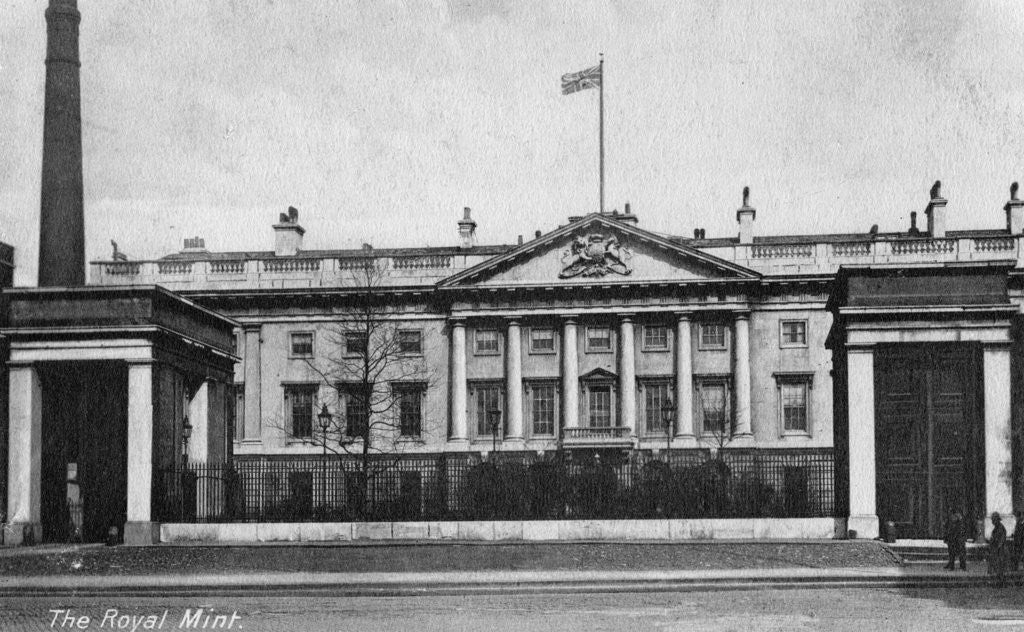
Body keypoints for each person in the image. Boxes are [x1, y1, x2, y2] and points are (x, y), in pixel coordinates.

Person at [988, 512, 1008, 585]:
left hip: (1000, 551)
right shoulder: (996, 528)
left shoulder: (1001, 528)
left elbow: (1002, 539)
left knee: (1000, 567)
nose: (992, 522)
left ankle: (1001, 583)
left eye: (993, 520)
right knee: (996, 567)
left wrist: (998, 547)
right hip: (996, 550)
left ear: (997, 520)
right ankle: (998, 582)